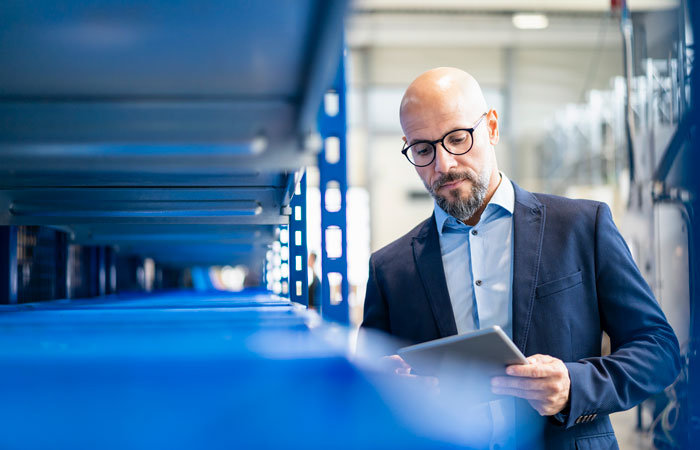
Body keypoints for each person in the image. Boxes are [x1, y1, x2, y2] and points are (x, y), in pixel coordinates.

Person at [360, 67, 680, 449]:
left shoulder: (582, 226)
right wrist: (382, 390)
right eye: (424, 150)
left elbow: (658, 349)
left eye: (458, 139)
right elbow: (371, 389)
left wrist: (574, 386)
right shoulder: (390, 270)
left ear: (491, 127)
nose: (443, 165)